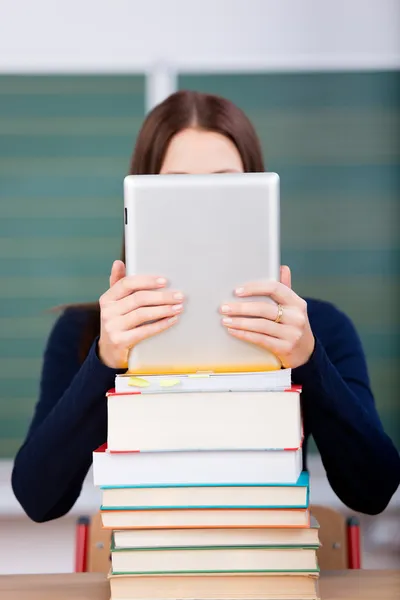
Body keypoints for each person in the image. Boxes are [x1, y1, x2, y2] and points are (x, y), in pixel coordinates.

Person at [12, 90, 400, 523]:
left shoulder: (317, 328)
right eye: (176, 187)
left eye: (225, 185)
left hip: (273, 567)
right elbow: (38, 499)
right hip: (142, 569)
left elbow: (374, 490)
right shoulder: (85, 332)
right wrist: (105, 360)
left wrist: (308, 360)